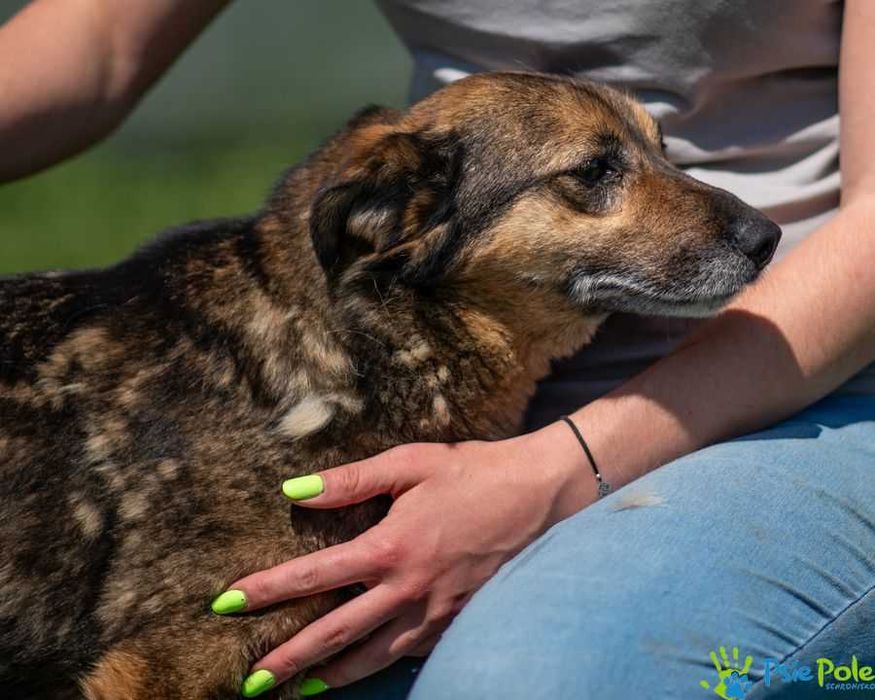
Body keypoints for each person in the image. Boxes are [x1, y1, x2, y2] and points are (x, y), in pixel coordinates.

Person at [3, 1, 874, 698]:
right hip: (482, 398)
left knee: (520, 682)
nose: (727, 224)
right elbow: (93, 44)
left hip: (817, 392)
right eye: (597, 177)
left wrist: (554, 474)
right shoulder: (247, 409)